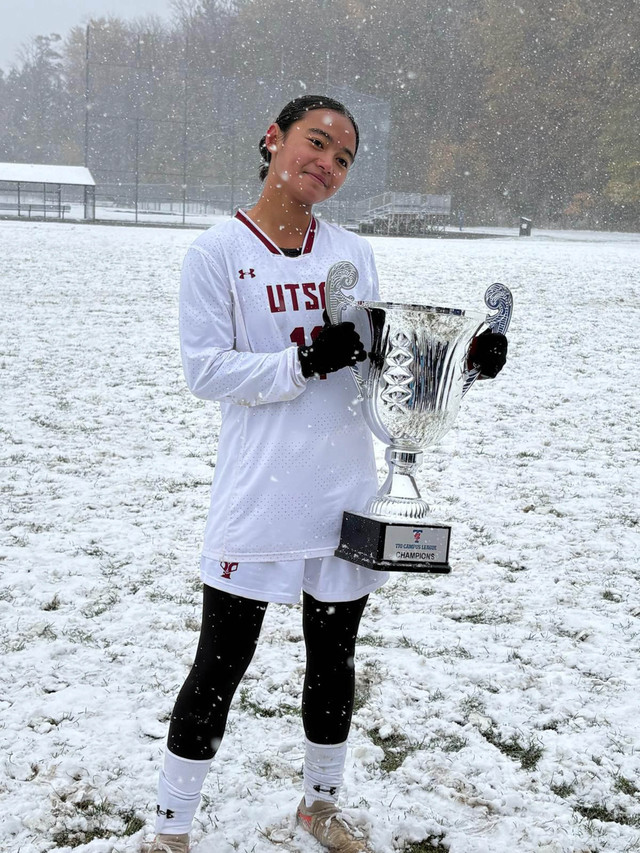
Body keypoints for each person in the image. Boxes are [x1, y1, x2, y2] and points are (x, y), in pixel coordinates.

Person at [143, 94, 507, 853]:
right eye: (316, 143)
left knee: (334, 659)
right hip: (260, 496)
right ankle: (171, 827)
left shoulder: (352, 254)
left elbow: (381, 376)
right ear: (273, 139)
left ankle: (320, 804)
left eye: (344, 158)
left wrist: (459, 367)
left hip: (345, 491)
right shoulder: (217, 252)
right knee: (221, 661)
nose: (329, 164)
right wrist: (305, 359)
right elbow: (206, 371)